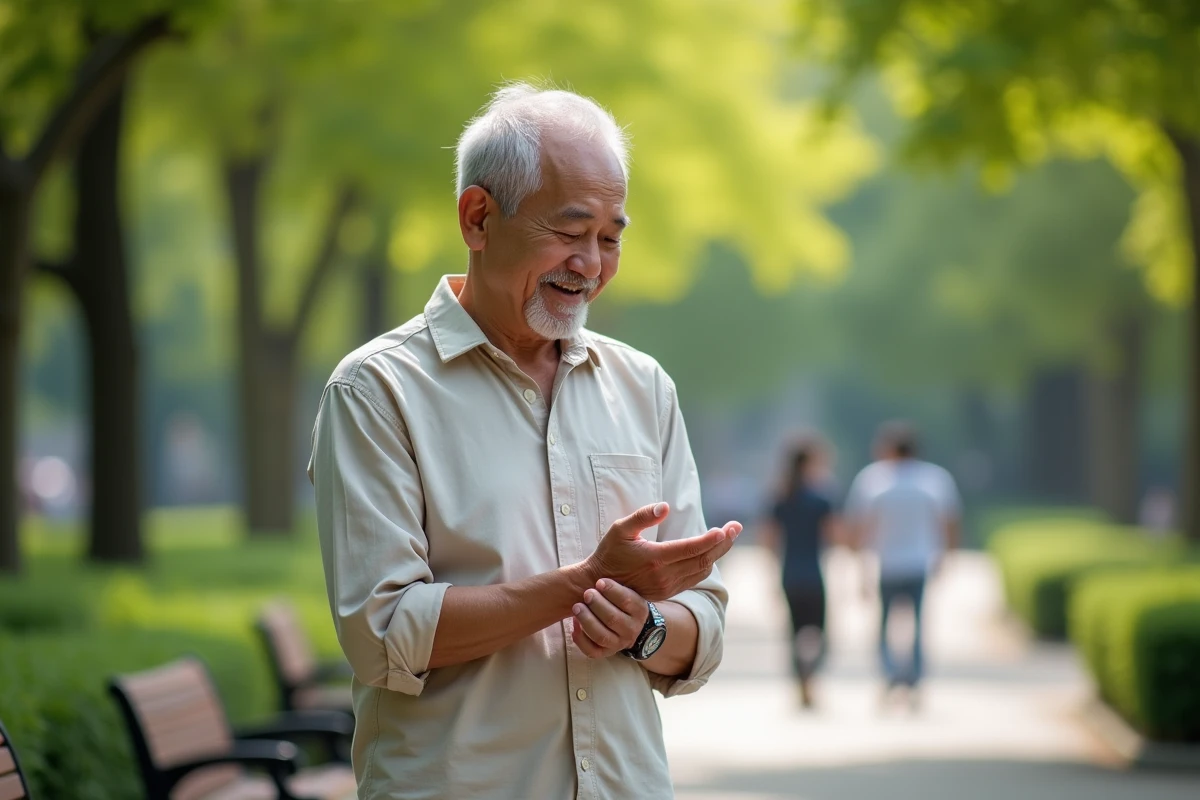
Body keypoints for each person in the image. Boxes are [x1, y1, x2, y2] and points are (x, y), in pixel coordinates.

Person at [308, 83, 738, 800]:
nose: (590, 263)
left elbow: (706, 622)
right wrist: (584, 583)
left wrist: (644, 628)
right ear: (478, 218)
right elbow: (382, 633)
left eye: (610, 238)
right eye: (570, 231)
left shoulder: (643, 387)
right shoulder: (376, 391)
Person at [844, 421, 960, 705]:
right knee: (918, 625)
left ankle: (890, 674)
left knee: (885, 624)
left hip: (888, 563)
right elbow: (949, 522)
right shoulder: (934, 479)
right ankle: (915, 678)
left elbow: (861, 527)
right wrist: (947, 556)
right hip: (920, 561)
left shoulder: (874, 480)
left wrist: (859, 565)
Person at [759, 434, 839, 709]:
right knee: (819, 632)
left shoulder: (780, 497)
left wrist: (772, 571)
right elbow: (834, 535)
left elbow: (769, 539)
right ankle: (811, 675)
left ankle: (800, 682)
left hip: (789, 573)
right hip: (814, 574)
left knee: (794, 631)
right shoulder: (821, 498)